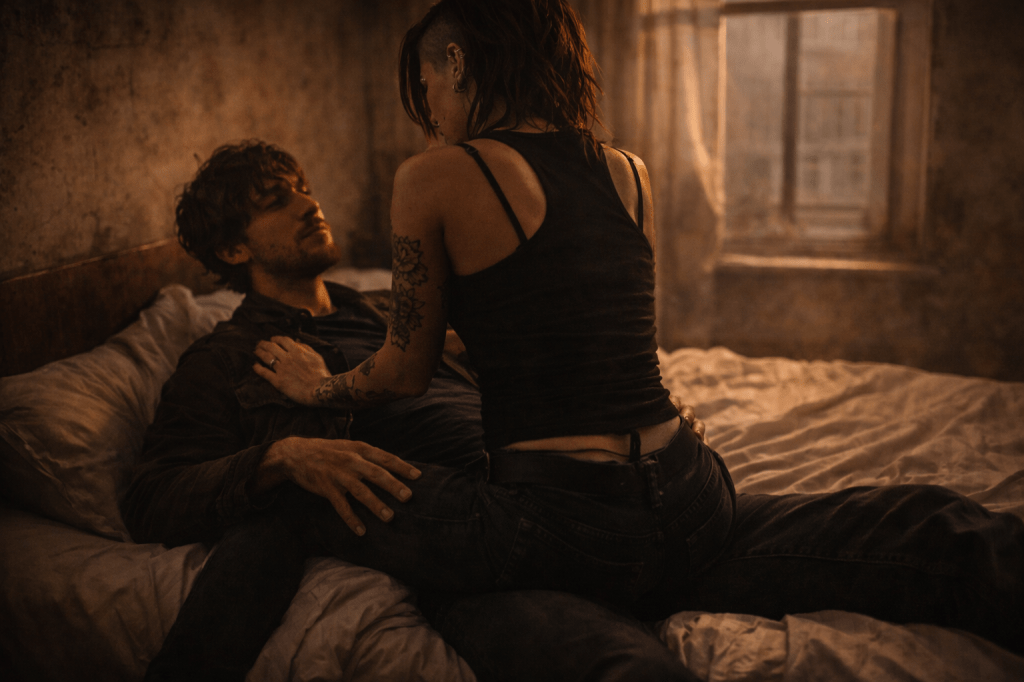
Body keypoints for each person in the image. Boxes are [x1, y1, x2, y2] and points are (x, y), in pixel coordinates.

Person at [123, 140, 703, 682]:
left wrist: (628, 409)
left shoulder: (390, 310)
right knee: (624, 665)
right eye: (277, 200)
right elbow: (151, 497)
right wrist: (283, 457)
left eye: (304, 188)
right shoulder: (228, 359)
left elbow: (523, 364)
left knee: (739, 536)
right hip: (449, 530)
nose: (309, 204)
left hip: (553, 480)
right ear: (234, 249)